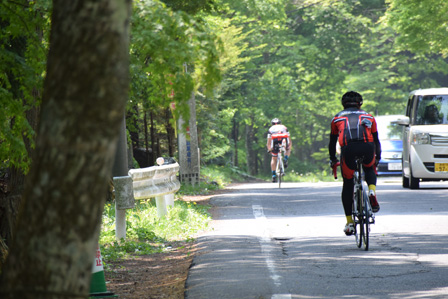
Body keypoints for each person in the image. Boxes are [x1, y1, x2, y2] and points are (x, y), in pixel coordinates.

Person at [328, 91, 381, 236]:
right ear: (360, 104)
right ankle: (371, 191)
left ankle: (350, 222)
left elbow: (332, 143)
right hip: (367, 147)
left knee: (348, 182)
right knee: (369, 168)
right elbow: (376, 140)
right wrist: (378, 157)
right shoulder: (369, 117)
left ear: (343, 104)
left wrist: (333, 159)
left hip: (348, 148)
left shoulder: (336, 118)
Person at [267, 118, 291, 183]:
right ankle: (286, 158)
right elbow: (289, 139)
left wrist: (269, 149)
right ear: (280, 123)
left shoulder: (271, 129)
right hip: (283, 139)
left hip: (275, 141)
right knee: (288, 148)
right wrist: (289, 147)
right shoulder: (284, 127)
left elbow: (269, 142)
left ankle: (274, 175)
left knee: (274, 158)